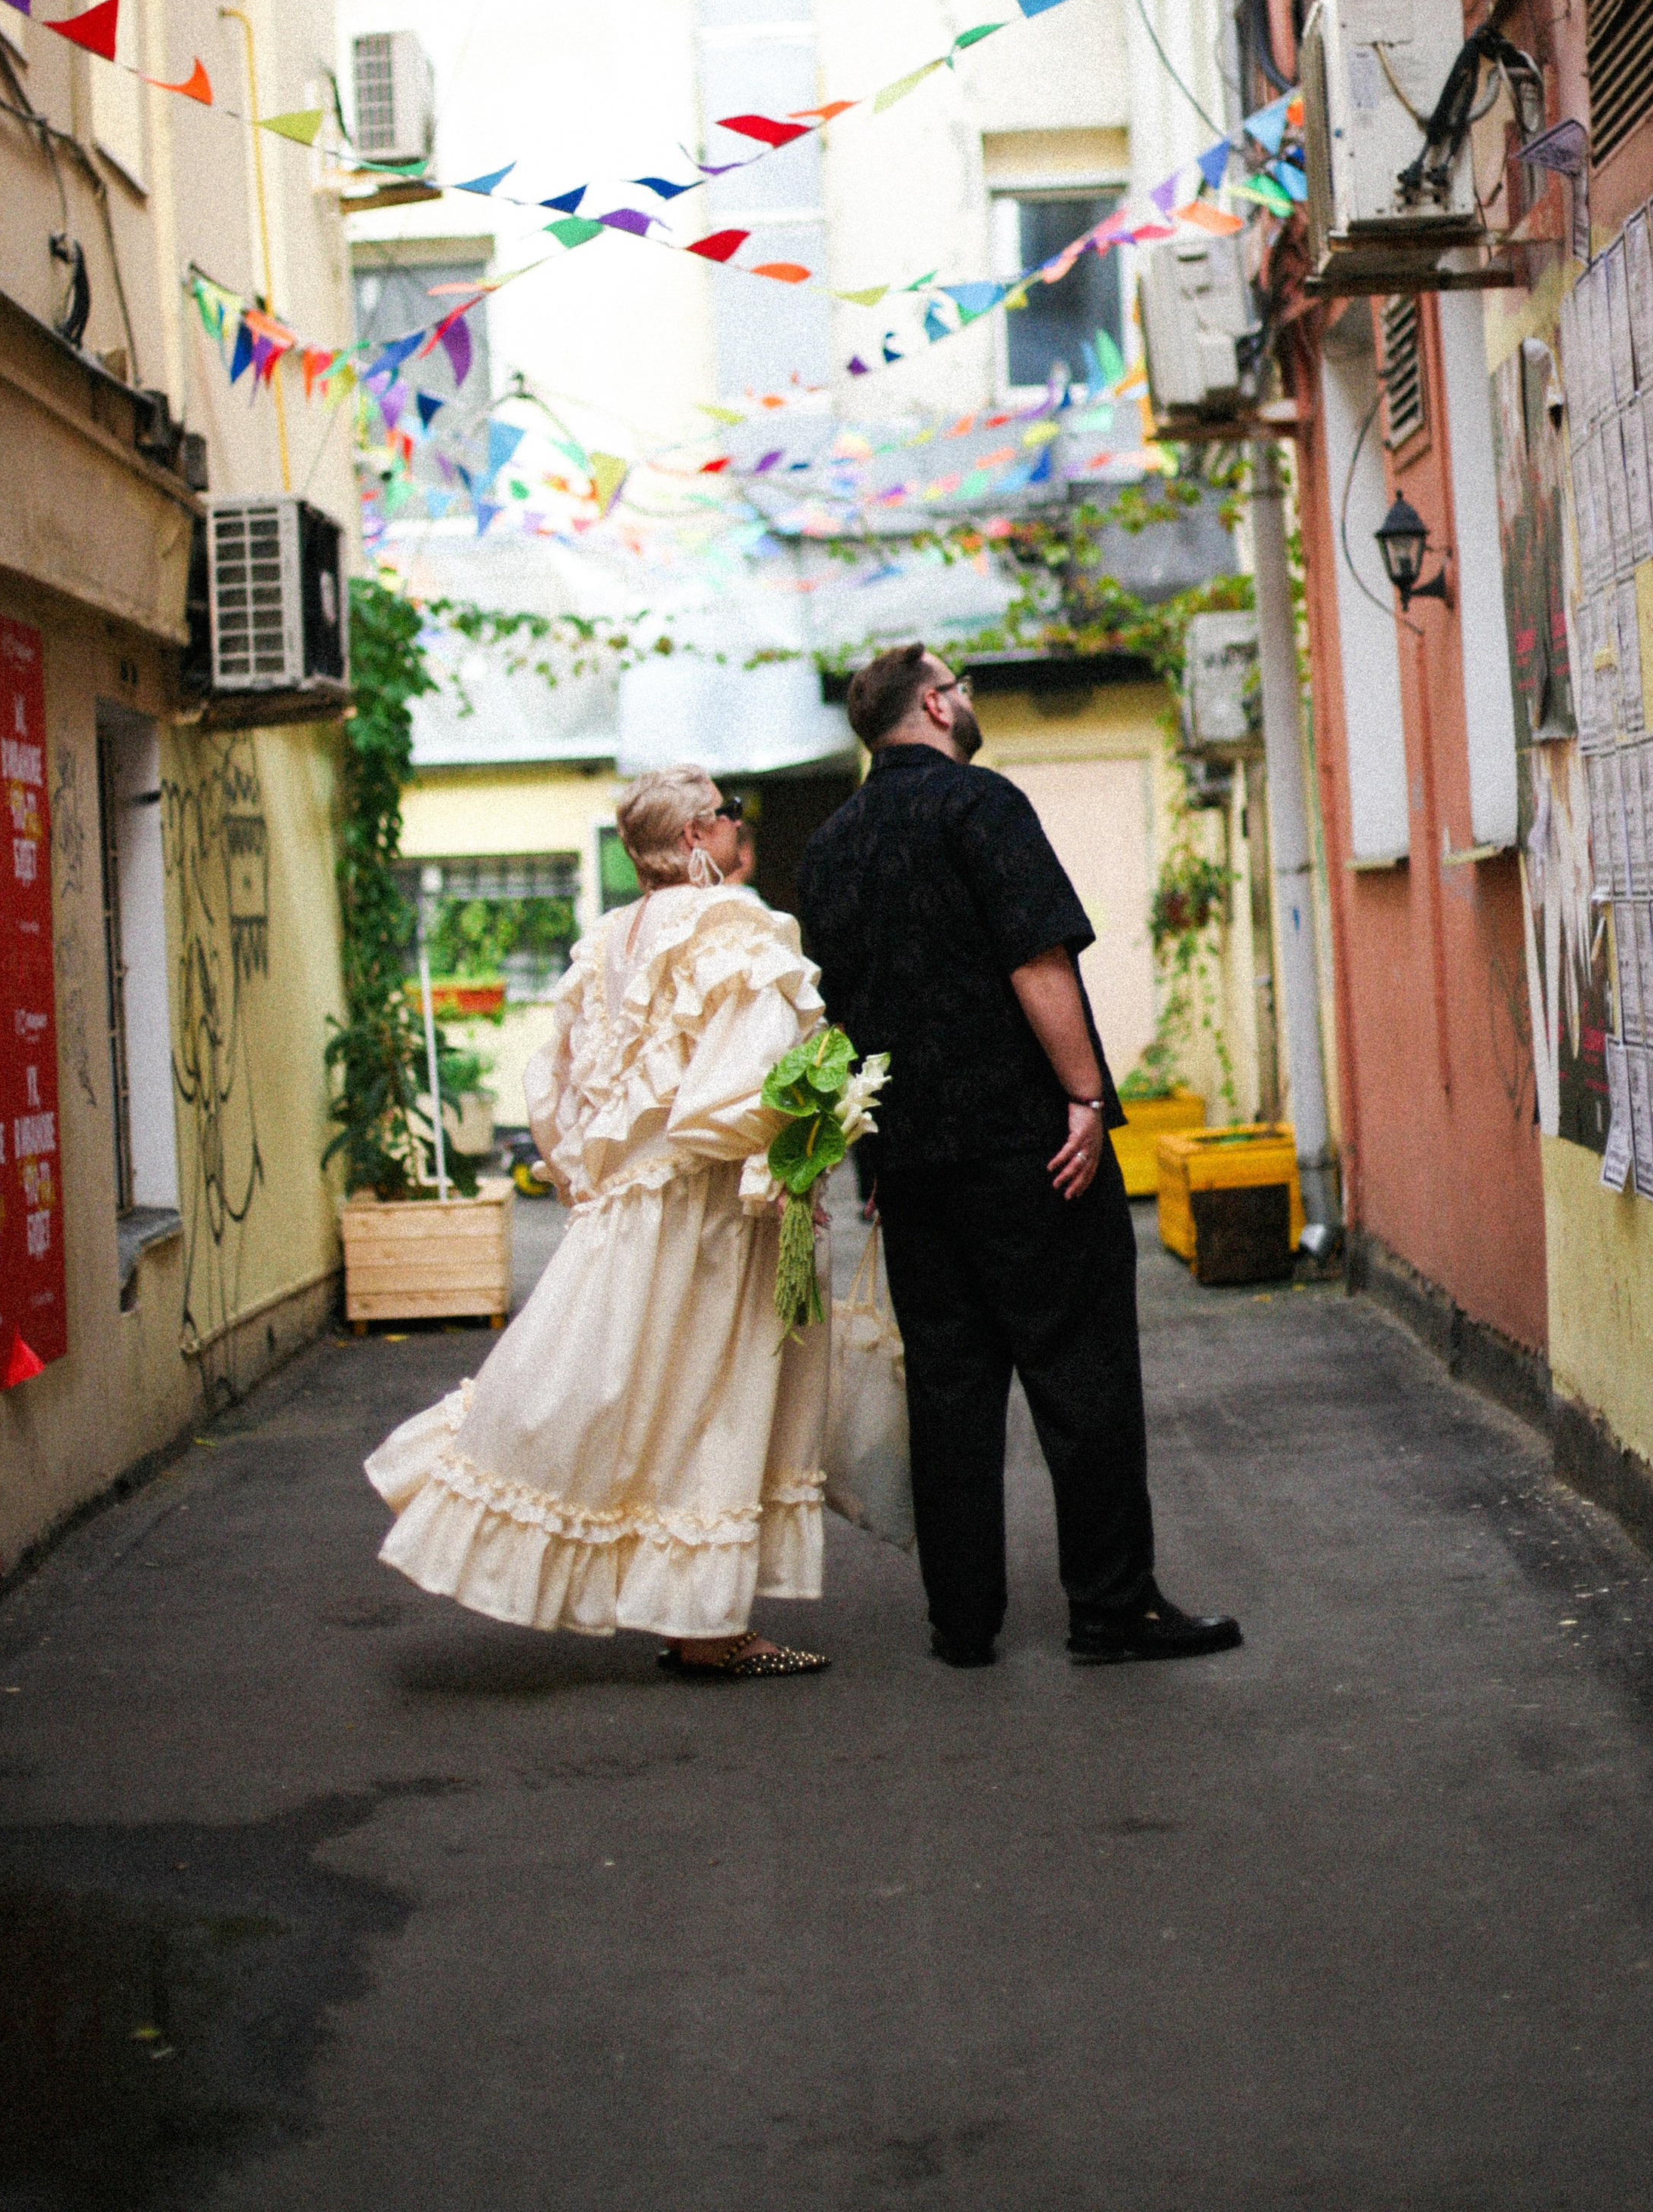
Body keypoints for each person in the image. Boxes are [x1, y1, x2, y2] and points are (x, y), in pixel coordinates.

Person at [796, 644, 1242, 1671]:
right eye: (959, 687)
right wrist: (1085, 1096)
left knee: (948, 1391)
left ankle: (962, 1623)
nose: (968, 701)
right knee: (1081, 1376)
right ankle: (1111, 1609)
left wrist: (863, 1158)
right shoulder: (979, 805)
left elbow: (835, 1015)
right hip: (1026, 1150)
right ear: (935, 705)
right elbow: (1036, 960)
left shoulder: (829, 846)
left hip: (908, 1162)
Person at [365, 766, 831, 1681]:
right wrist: (798, 1148)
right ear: (695, 835)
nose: (738, 827)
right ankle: (704, 1625)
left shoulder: (608, 943)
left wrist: (595, 1175)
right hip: (706, 1208)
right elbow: (748, 1080)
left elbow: (555, 1086)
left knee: (617, 1387)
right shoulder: (731, 924)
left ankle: (694, 1616)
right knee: (709, 1399)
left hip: (628, 1207)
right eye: (728, 814)